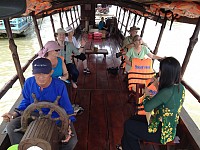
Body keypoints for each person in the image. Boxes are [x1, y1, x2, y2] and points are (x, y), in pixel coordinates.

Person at [2, 58, 78, 150]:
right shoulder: (29, 83)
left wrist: (68, 126)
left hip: (56, 117)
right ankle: (24, 147)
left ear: (51, 72)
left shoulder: (60, 85)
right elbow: (26, 101)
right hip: (33, 115)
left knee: (72, 141)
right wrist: (13, 114)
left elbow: (68, 109)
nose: (41, 77)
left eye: (45, 73)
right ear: (33, 73)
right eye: (37, 74)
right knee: (11, 126)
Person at [118, 57, 185, 150]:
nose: (159, 73)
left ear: (166, 74)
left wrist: (146, 94)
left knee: (129, 126)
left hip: (162, 133)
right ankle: (125, 147)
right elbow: (165, 102)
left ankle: (127, 147)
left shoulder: (166, 91)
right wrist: (158, 87)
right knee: (133, 119)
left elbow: (147, 107)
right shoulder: (180, 87)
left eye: (160, 70)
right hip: (170, 127)